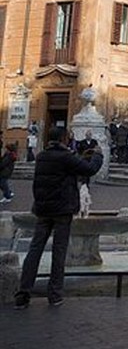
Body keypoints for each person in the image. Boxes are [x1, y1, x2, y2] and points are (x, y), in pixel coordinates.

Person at [14, 127, 103, 310]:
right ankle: (54, 294)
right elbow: (90, 170)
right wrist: (98, 156)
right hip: (62, 210)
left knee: (35, 249)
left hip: (43, 209)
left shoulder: (41, 156)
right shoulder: (65, 157)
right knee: (59, 251)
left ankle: (23, 293)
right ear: (63, 138)